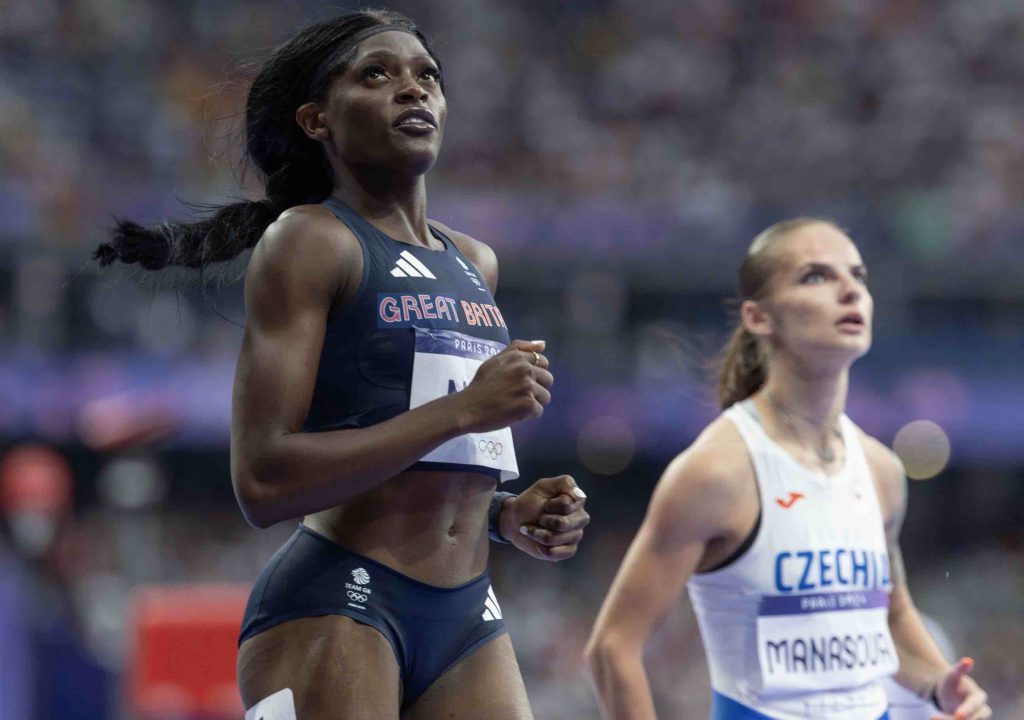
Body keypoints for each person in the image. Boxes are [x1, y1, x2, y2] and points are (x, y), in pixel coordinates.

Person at [94, 10, 589, 719]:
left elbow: (416, 462)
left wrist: (505, 514)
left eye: (428, 76)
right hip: (340, 597)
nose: (413, 89)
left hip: (467, 611)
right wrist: (465, 410)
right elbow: (263, 481)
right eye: (377, 74)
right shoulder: (310, 242)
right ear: (317, 120)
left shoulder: (475, 262)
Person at [584, 218, 990, 720]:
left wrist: (939, 685)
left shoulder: (880, 469)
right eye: (816, 276)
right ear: (759, 317)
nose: (850, 291)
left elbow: (889, 617)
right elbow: (612, 649)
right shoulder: (717, 472)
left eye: (858, 276)